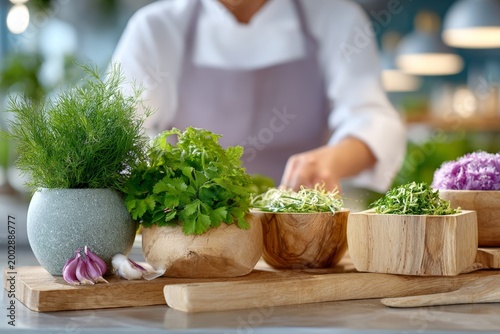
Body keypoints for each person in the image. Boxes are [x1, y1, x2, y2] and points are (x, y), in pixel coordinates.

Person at [112, 0, 406, 193]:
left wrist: (331, 162)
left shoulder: (334, 18)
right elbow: (119, 137)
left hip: (295, 226)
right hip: (190, 232)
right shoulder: (155, 29)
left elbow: (373, 120)